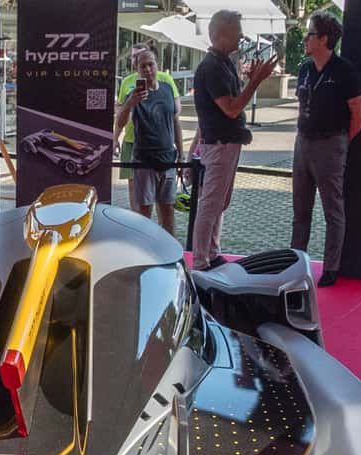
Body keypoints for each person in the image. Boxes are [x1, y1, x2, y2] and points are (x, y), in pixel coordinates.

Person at [191, 11, 279, 269]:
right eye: (237, 32)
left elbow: (232, 104)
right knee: (211, 204)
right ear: (222, 34)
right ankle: (201, 261)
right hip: (219, 144)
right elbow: (231, 108)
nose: (241, 37)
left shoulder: (223, 64)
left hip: (226, 142)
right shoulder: (212, 67)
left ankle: (211, 253)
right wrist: (255, 82)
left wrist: (250, 81)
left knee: (219, 203)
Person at [291, 12, 361, 287]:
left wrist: (340, 142)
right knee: (300, 210)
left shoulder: (345, 71)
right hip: (303, 142)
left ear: (324, 39)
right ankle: (295, 263)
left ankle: (331, 267)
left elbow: (359, 115)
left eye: (310, 34)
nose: (305, 39)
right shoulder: (305, 69)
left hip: (330, 143)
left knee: (332, 210)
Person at [113, 46, 183, 235]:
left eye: (150, 64)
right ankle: (144, 248)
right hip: (144, 160)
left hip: (168, 159)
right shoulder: (134, 93)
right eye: (142, 66)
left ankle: (168, 247)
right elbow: (120, 122)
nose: (148, 69)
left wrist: (181, 154)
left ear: (157, 65)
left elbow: (175, 121)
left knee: (168, 210)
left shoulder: (167, 88)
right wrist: (130, 103)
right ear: (137, 70)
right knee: (144, 211)